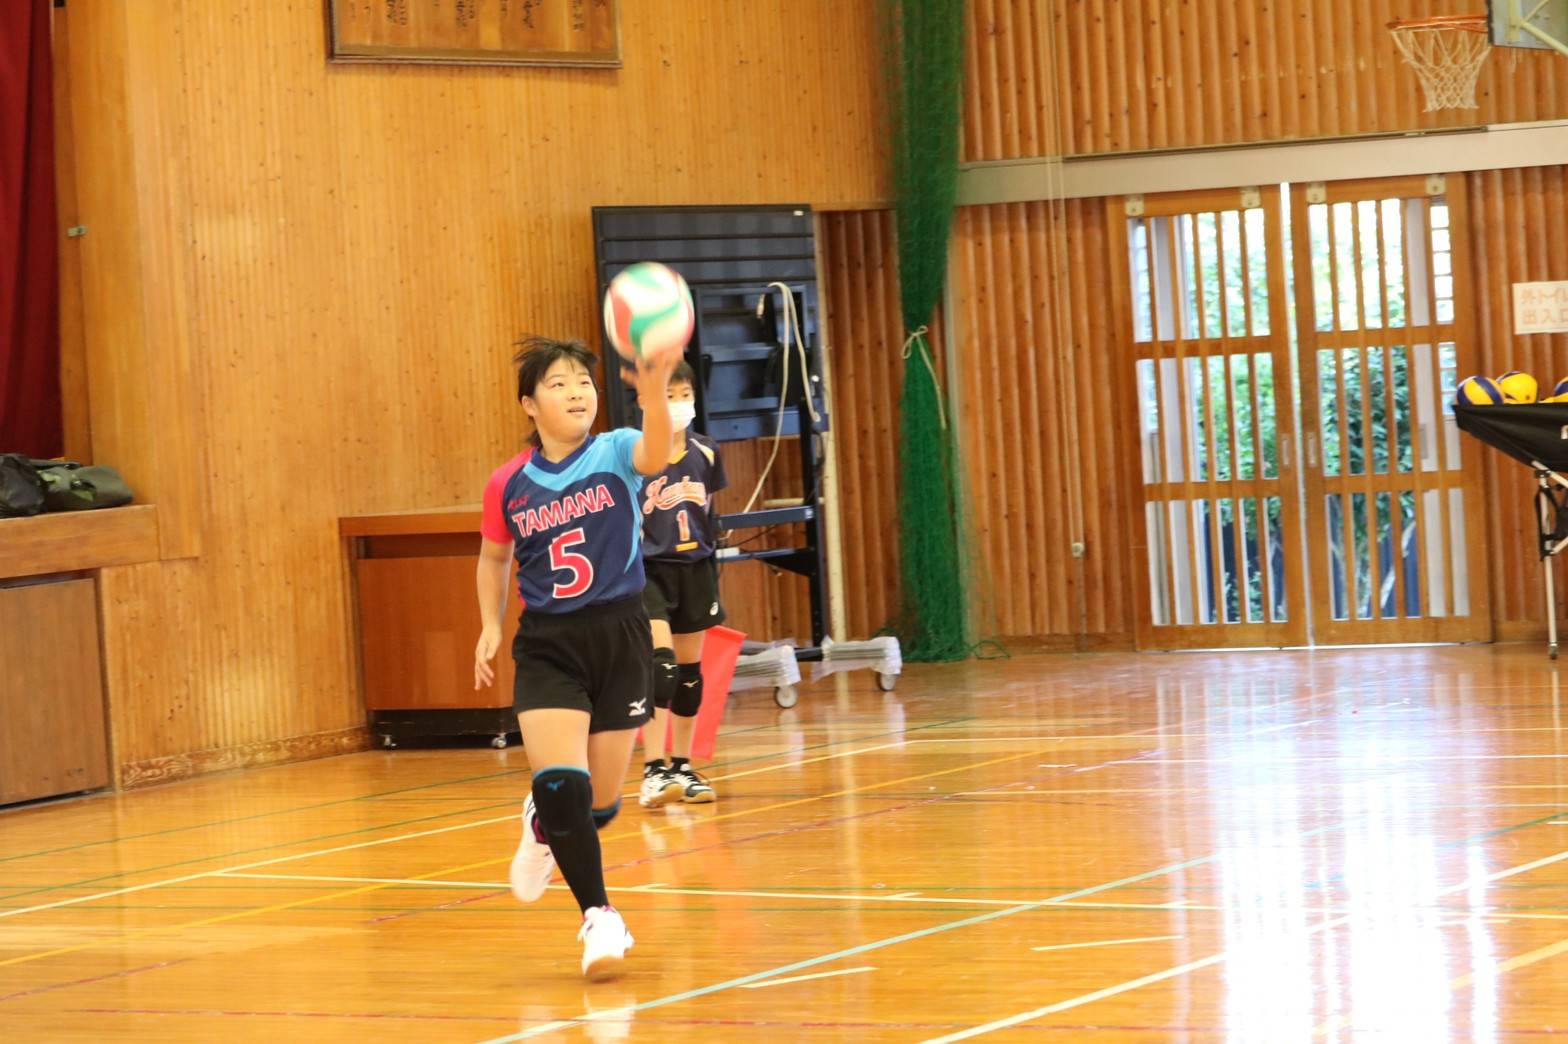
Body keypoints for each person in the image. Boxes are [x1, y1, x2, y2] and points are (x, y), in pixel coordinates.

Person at [474, 334, 679, 981]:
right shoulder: (508, 483)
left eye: (584, 382)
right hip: (549, 645)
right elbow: (493, 558)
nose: (576, 393)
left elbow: (656, 449)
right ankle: (600, 915)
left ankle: (543, 825)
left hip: (620, 635)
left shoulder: (616, 451)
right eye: (558, 384)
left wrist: (653, 393)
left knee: (600, 805)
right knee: (564, 784)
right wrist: (490, 624)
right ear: (529, 404)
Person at [636, 360, 728, 807]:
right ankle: (653, 770)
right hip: (649, 572)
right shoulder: (635, 455)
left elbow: (708, 510)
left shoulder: (706, 451)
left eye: (684, 395)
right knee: (662, 665)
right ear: (645, 401)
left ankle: (682, 766)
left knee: (690, 674)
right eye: (667, 395)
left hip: (696, 569)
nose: (678, 404)